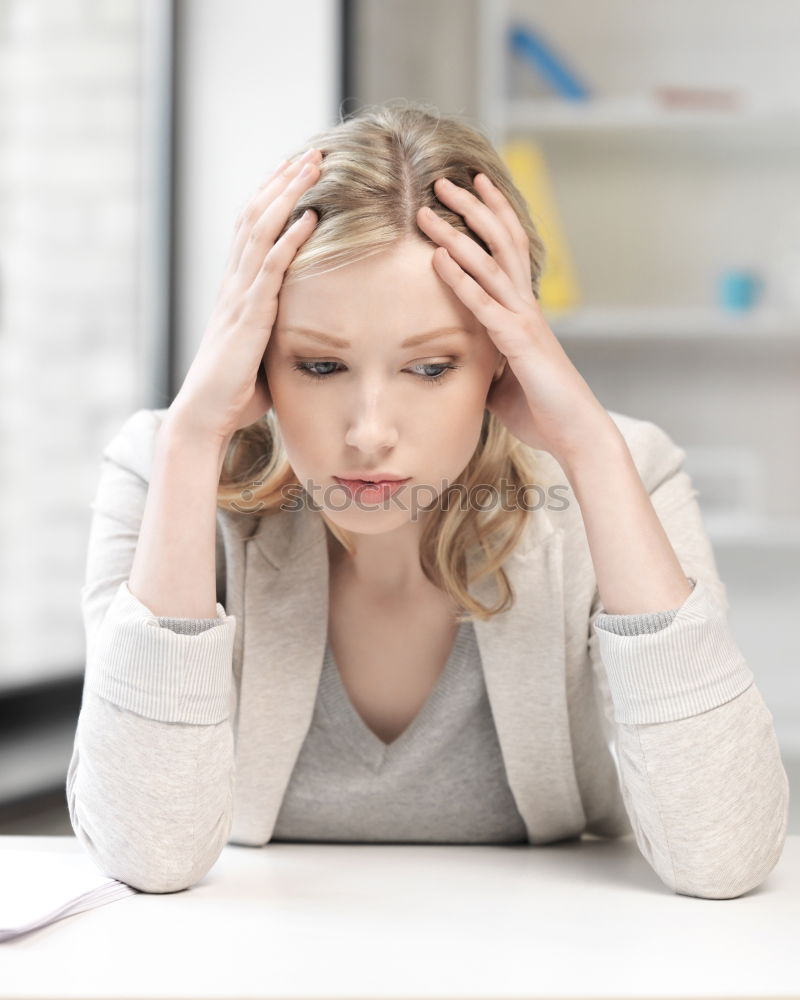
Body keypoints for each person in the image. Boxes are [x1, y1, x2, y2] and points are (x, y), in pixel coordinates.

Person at [67, 100, 788, 899]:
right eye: (318, 365)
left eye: (432, 367)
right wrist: (192, 439)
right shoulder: (163, 468)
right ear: (257, 358)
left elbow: (724, 856)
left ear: (503, 363)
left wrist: (590, 449)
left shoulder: (626, 472)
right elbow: (146, 851)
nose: (370, 434)